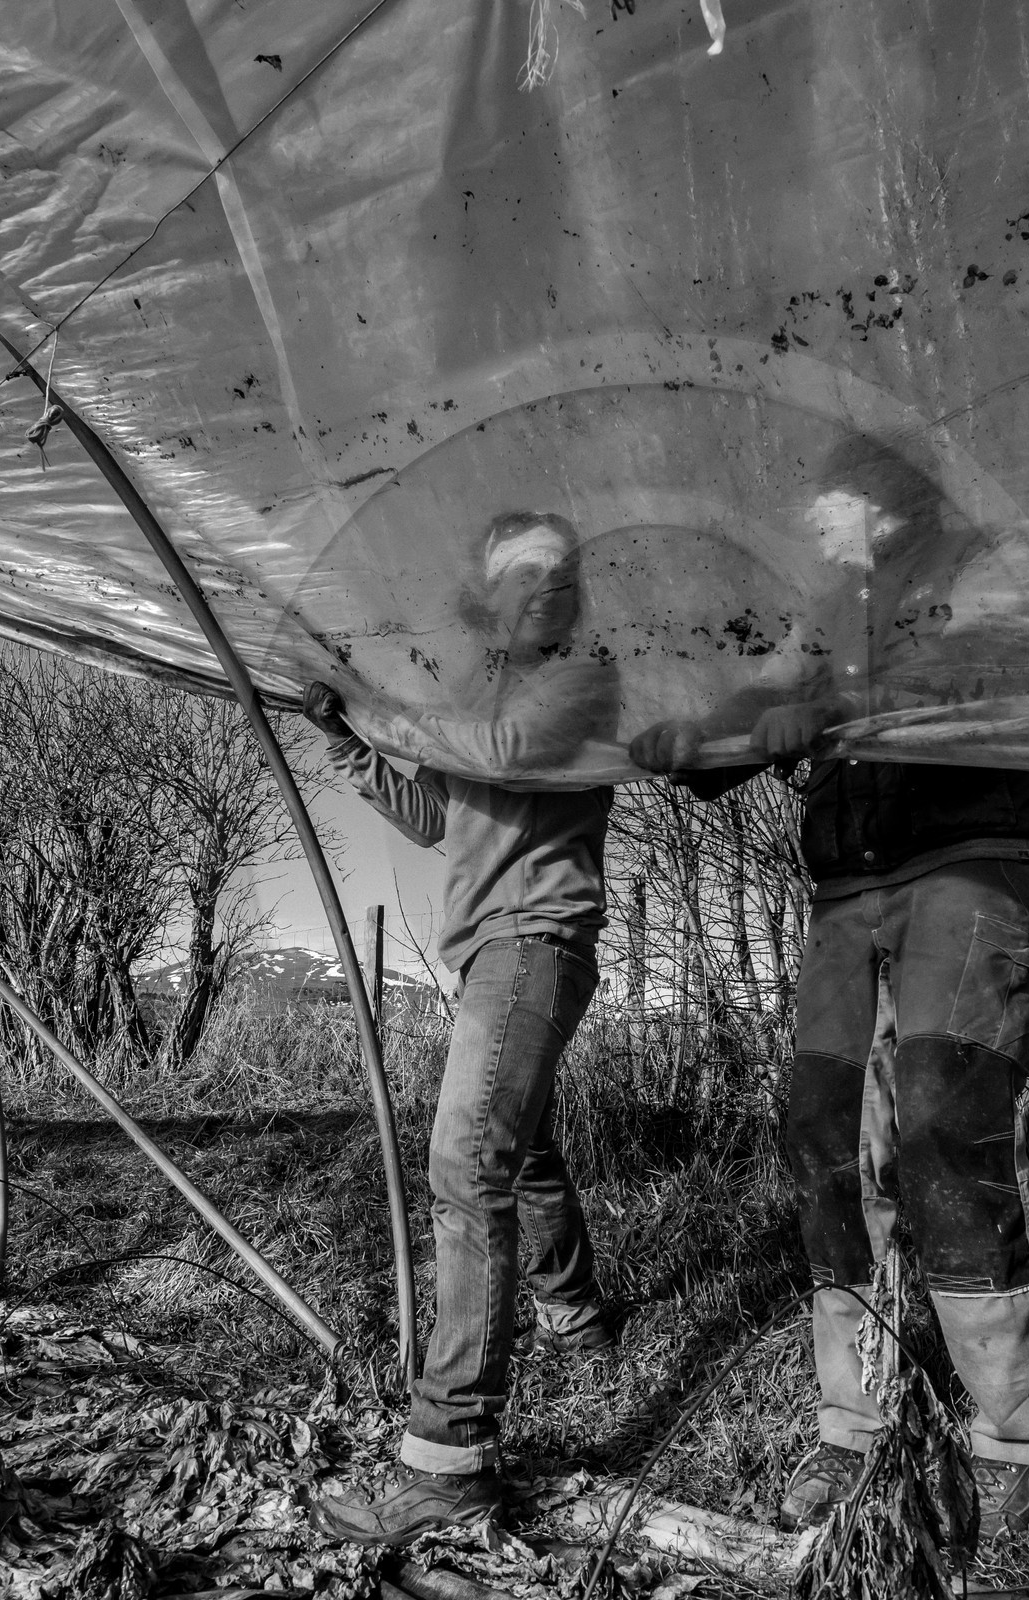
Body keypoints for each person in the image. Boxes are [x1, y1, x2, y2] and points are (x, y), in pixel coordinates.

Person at [629, 437, 1029, 1541]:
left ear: (882, 506)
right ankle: (857, 1423)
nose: (814, 525)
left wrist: (833, 701)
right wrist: (694, 742)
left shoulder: (980, 569)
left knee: (946, 1115)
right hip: (849, 884)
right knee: (818, 1131)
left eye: (828, 503)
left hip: (970, 854)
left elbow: (1019, 666)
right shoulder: (825, 614)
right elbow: (770, 701)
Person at [309, 511, 618, 1546]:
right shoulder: (474, 701)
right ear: (492, 593)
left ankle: (450, 1457)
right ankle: (577, 1315)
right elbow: (437, 806)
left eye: (555, 573)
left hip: (538, 938)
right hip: (489, 946)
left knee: (464, 1163)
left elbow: (507, 750)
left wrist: (388, 708)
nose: (541, 589)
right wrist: (347, 743)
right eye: (519, 574)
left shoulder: (582, 683)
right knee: (513, 1145)